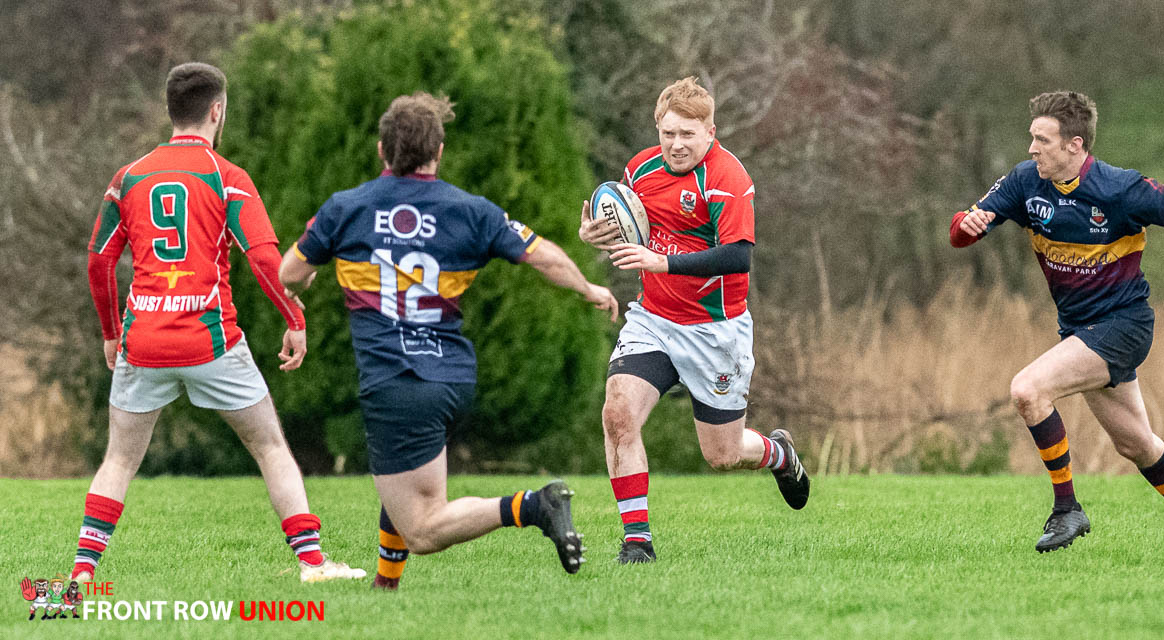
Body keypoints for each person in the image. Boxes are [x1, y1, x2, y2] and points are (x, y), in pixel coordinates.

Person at [278, 91, 617, 589]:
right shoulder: (471, 211)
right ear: (438, 152)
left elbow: (288, 271)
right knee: (405, 480)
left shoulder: (346, 208)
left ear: (381, 150)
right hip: (452, 377)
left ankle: (532, 506)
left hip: (397, 379)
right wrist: (588, 288)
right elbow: (543, 254)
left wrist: (304, 280)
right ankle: (386, 585)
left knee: (423, 528)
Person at [81, 62, 365, 583]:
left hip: (143, 341)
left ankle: (81, 575)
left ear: (171, 110)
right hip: (211, 342)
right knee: (270, 448)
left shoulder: (128, 178)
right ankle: (312, 563)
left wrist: (110, 333)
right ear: (217, 111)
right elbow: (263, 258)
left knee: (118, 461)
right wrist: (293, 317)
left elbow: (99, 262)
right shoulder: (227, 177)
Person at [950, 90, 1164, 552]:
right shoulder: (1025, 182)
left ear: (1074, 145)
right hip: (1080, 331)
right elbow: (960, 232)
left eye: (1042, 140)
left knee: (1028, 390)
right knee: (1136, 444)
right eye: (1032, 138)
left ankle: (1066, 510)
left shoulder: (1121, 189)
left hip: (1125, 326)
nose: (1032, 148)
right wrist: (966, 225)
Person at [577, 77, 810, 565]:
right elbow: (630, 230)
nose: (677, 144)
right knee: (618, 413)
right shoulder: (640, 169)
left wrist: (663, 263)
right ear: (658, 130)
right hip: (654, 319)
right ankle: (637, 542)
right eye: (669, 133)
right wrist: (596, 234)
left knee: (722, 455)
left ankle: (779, 454)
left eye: (688, 134)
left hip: (714, 330)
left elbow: (738, 257)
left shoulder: (727, 178)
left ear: (710, 132)